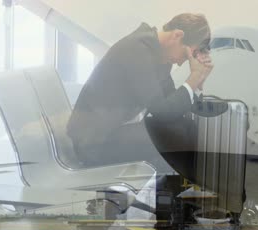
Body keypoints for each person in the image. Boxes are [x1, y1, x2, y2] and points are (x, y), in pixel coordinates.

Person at [67, 13, 213, 177]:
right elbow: (162, 111)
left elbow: (173, 107)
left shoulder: (157, 54)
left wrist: (198, 81)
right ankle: (169, 192)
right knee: (174, 135)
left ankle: (176, 189)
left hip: (113, 132)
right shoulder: (137, 50)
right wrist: (193, 78)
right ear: (177, 35)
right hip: (93, 143)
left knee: (186, 127)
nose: (181, 62)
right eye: (186, 55)